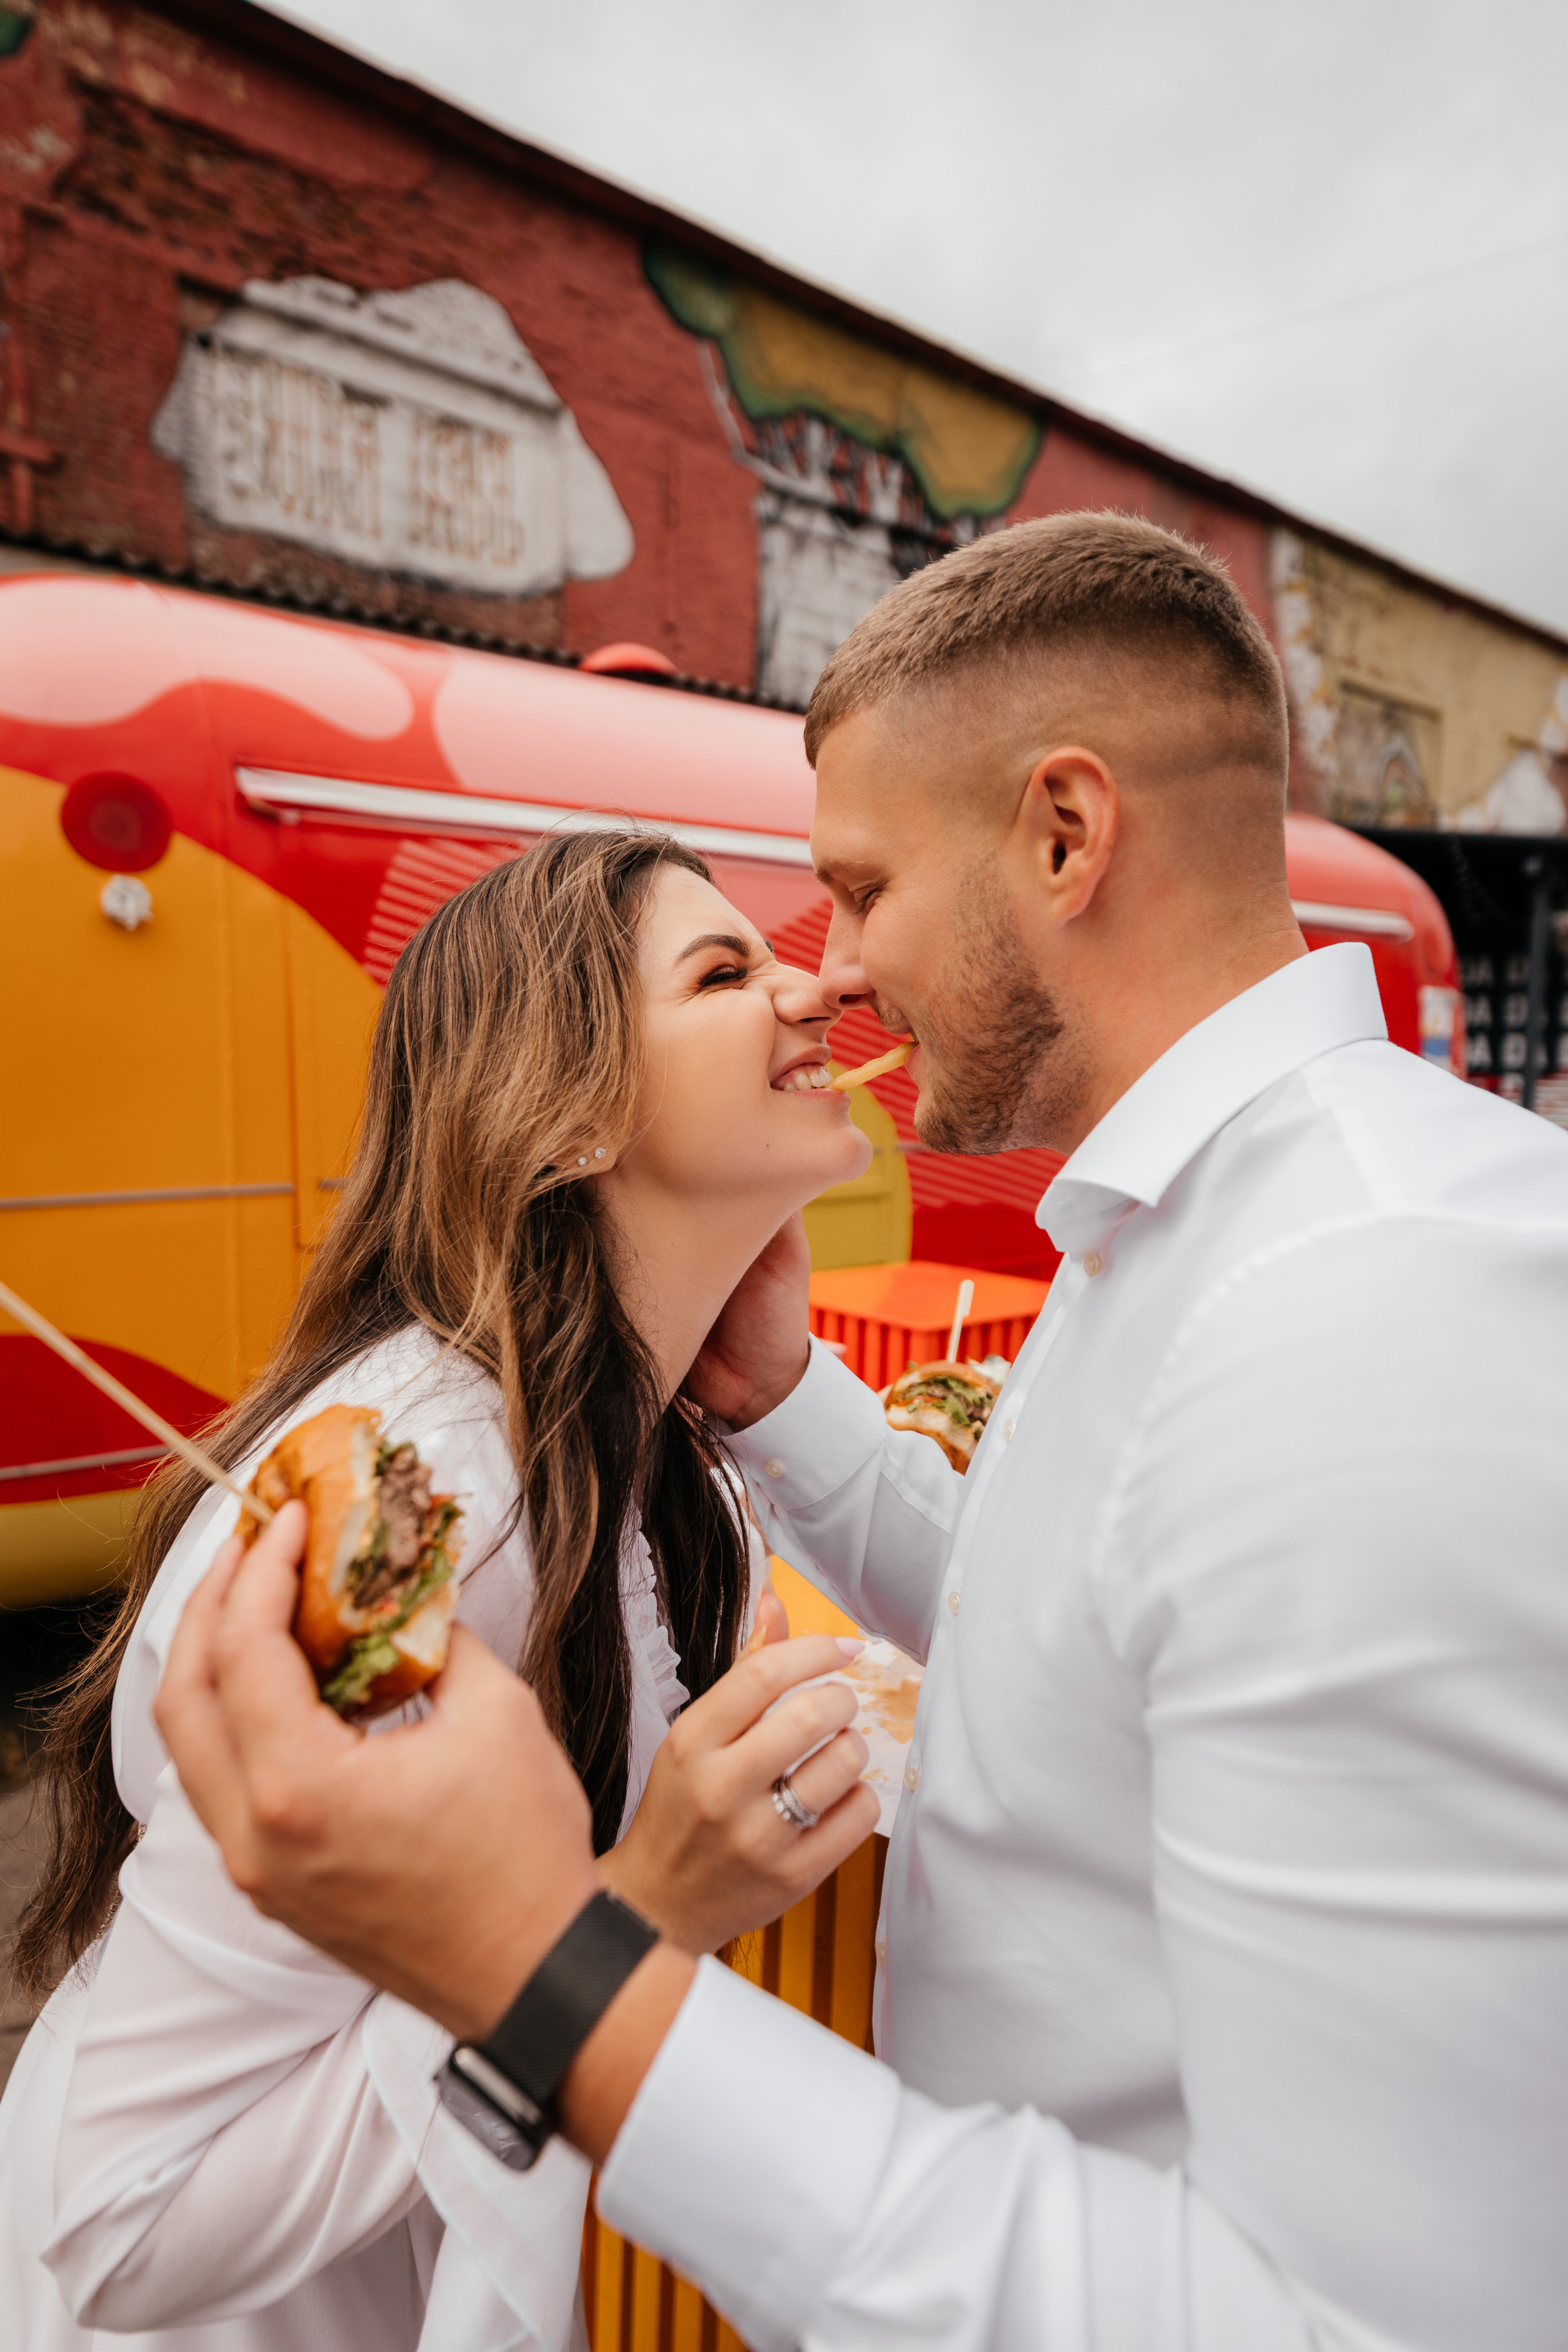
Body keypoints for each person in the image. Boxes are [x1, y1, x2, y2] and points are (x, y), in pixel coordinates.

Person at [158, 512, 1568, 2352]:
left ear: (1065, 838)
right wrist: (796, 1408)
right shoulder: (1211, 1230)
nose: (834, 969)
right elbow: (1075, 1634)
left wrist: (549, 1975)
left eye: (865, 887)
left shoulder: (1364, 1304)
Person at [0, 829, 880, 2350]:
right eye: (724, 971)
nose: (816, 990)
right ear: (569, 1115)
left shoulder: (657, 1451)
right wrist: (636, 1914)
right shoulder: (427, 1522)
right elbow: (122, 2225)